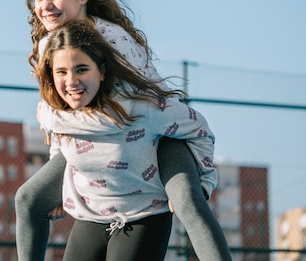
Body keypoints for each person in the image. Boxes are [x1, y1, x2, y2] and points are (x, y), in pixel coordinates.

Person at [15, 0, 232, 260]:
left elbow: (120, 118)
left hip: (159, 132)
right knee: (28, 199)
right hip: (100, 140)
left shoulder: (111, 39)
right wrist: (61, 168)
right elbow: (63, 120)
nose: (45, 5)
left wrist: (52, 119)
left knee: (186, 200)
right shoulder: (49, 45)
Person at [34, 20, 216, 261]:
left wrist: (205, 182)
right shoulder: (58, 116)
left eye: (81, 69)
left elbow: (200, 129)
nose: (71, 81)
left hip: (144, 215)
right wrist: (60, 192)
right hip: (92, 215)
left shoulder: (142, 110)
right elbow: (60, 154)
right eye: (61, 72)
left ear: (102, 71)